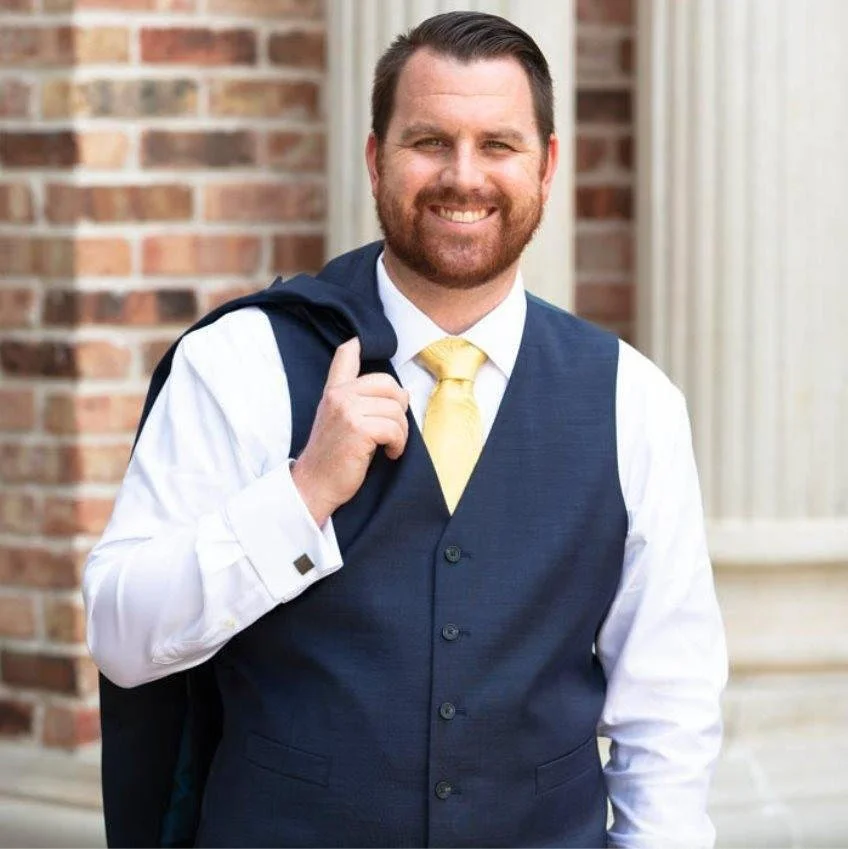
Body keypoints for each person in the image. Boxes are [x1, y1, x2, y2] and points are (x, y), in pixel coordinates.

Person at [84, 10, 727, 848]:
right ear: (374, 156)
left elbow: (668, 714)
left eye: (498, 144)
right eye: (429, 140)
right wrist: (302, 494)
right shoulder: (240, 363)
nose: (464, 176)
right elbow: (121, 635)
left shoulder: (633, 402)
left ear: (549, 165)